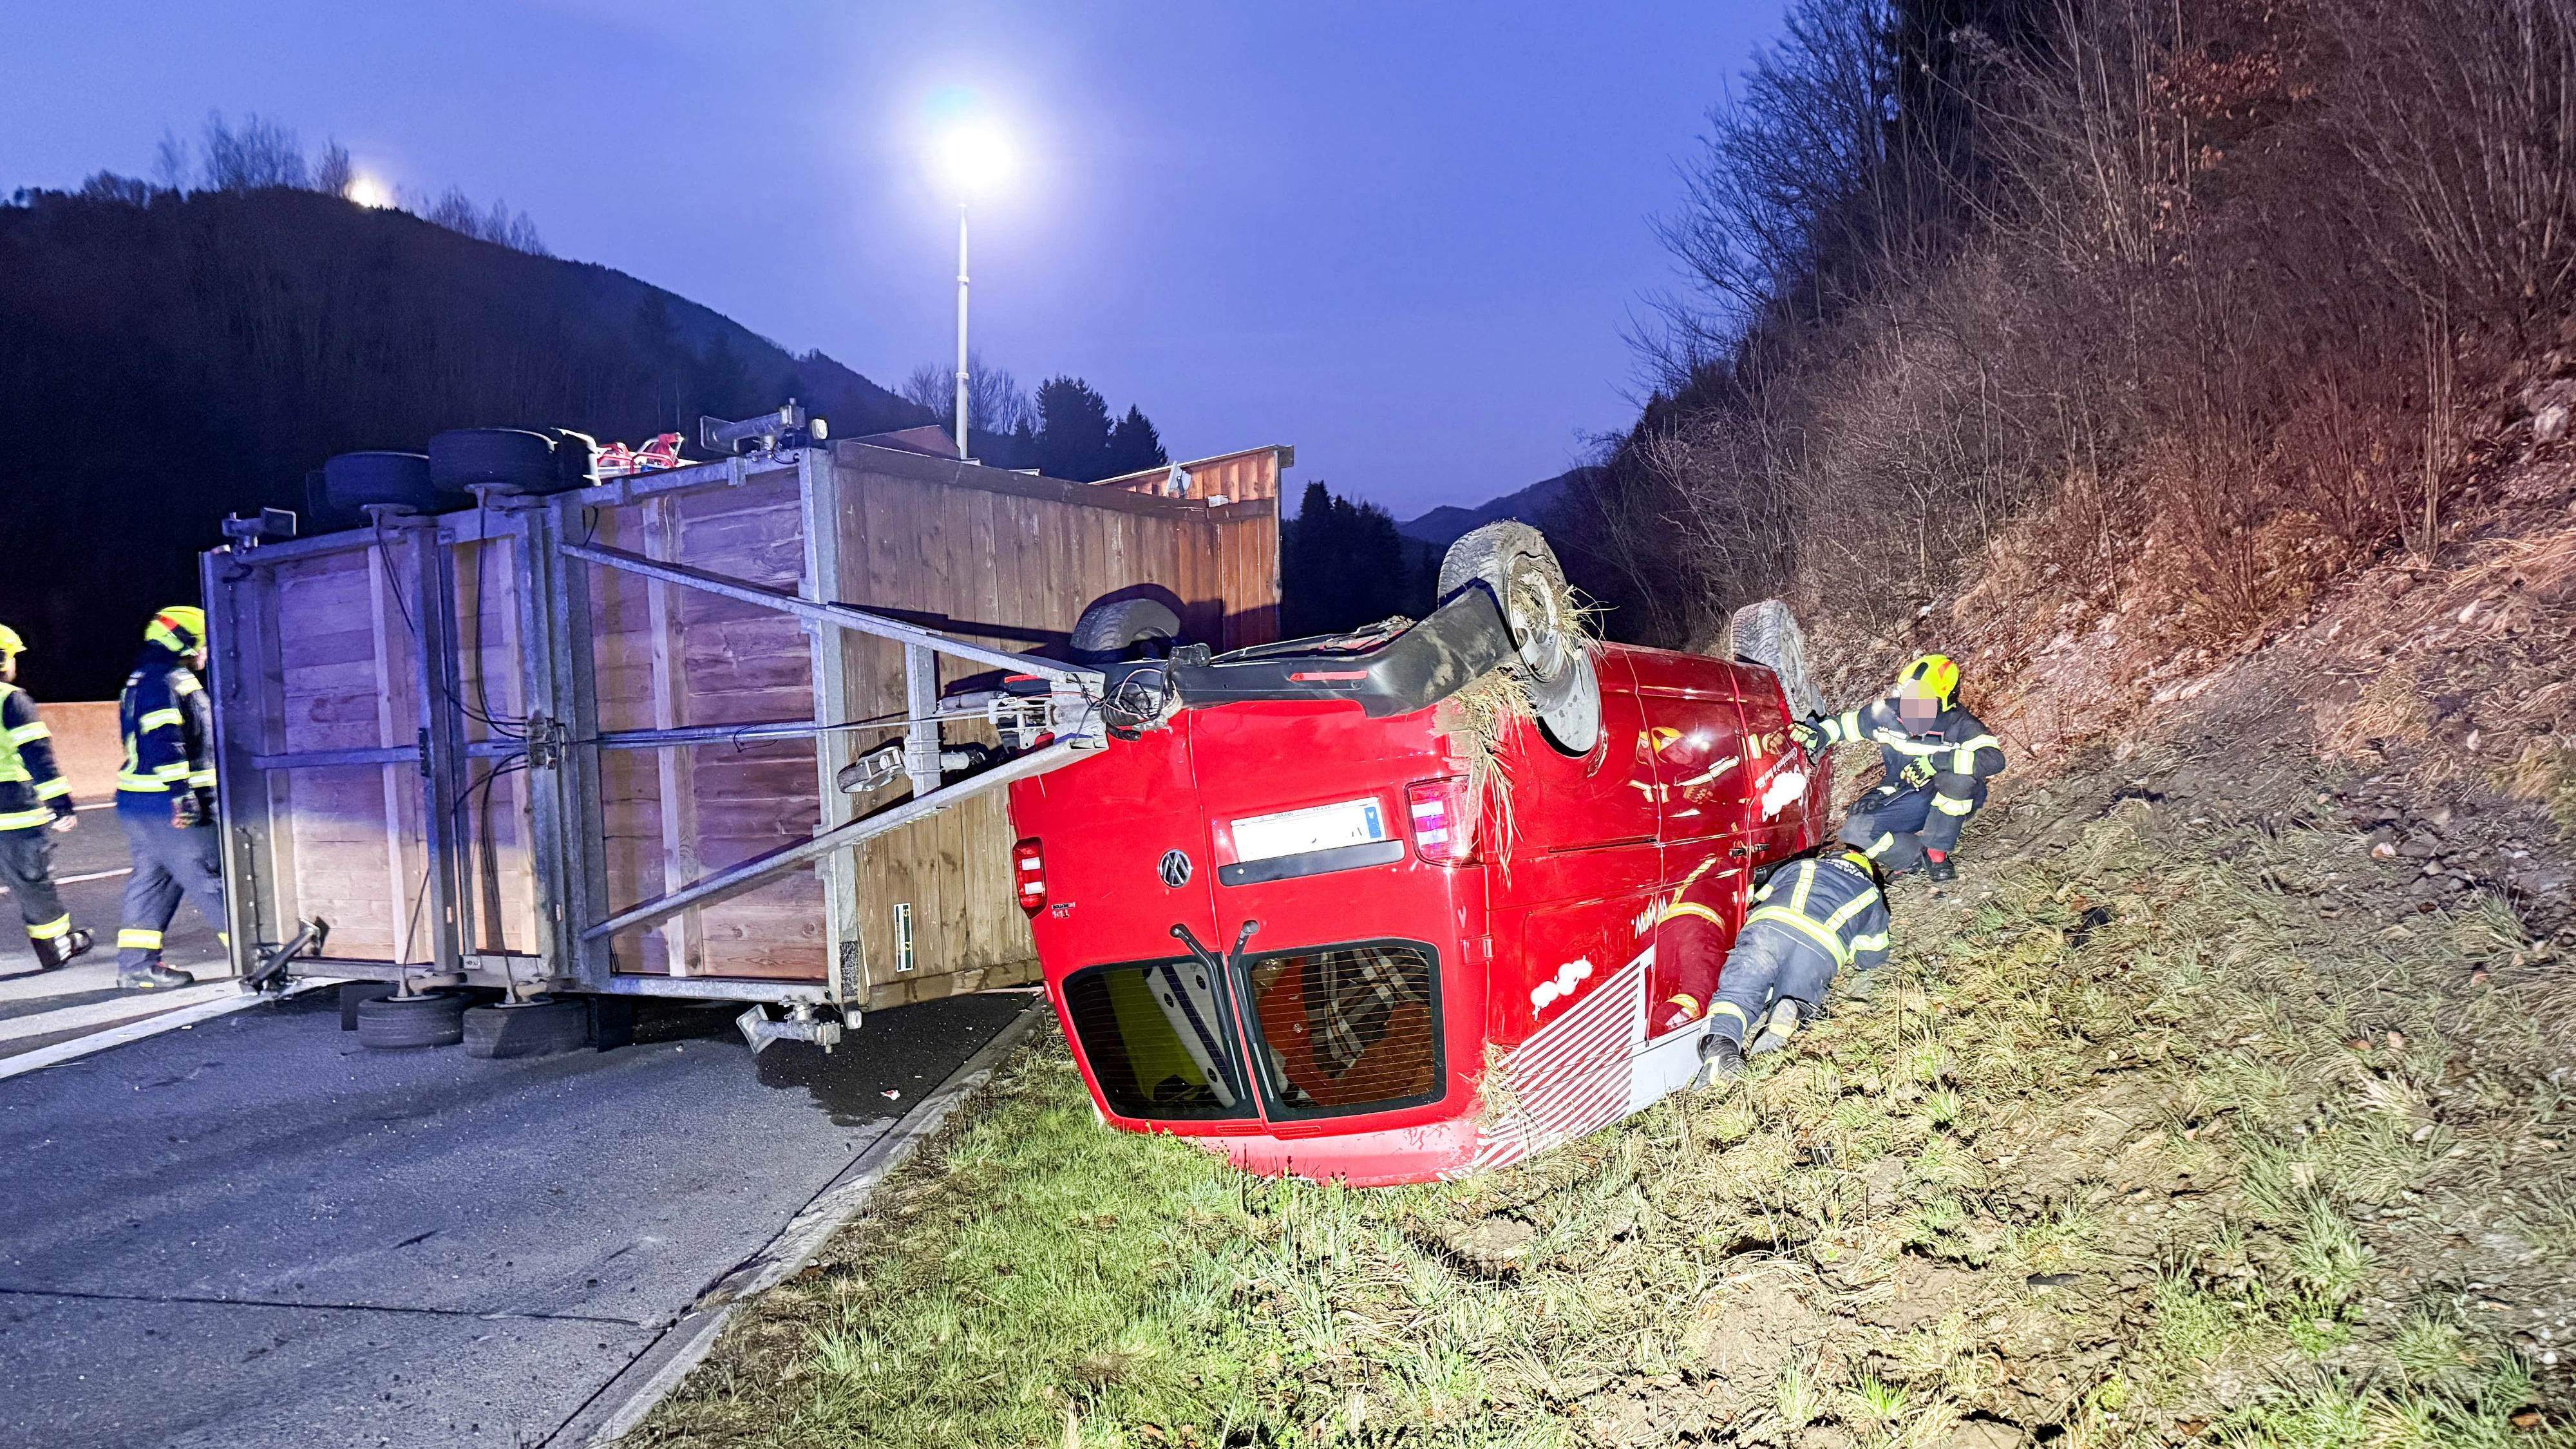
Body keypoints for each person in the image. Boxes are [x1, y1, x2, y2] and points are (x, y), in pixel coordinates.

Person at [1791, 653, 2004, 882]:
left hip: (1951, 797)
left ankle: (1937, 853)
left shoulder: (1962, 725)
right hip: (1907, 794)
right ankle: (1913, 857)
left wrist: (1936, 762)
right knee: (1856, 831)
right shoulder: (1886, 713)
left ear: (1943, 699)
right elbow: (1845, 725)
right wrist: (1819, 734)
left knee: (1958, 779)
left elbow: (1993, 760)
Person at [1694, 846, 1891, 1081]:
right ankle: (1786, 1017)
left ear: (1830, 858)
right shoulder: (1871, 895)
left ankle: (1721, 1053)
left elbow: (1761, 896)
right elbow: (1872, 957)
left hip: (1769, 931)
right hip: (1819, 950)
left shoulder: (1802, 866)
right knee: (1798, 997)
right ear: (1867, 872)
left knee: (1736, 995)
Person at [115, 607, 223, 990]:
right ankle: (262, 958)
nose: (206, 653)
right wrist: (183, 796)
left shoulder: (143, 678)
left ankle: (136, 966)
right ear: (186, 642)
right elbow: (165, 738)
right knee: (212, 877)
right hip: (169, 803)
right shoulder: (170, 680)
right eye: (203, 644)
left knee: (154, 880)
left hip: (140, 801)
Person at [0, 625, 93, 971]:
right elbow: (36, 753)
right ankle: (56, 946)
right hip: (12, 807)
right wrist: (60, 803)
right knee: (32, 881)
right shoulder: (10, 699)